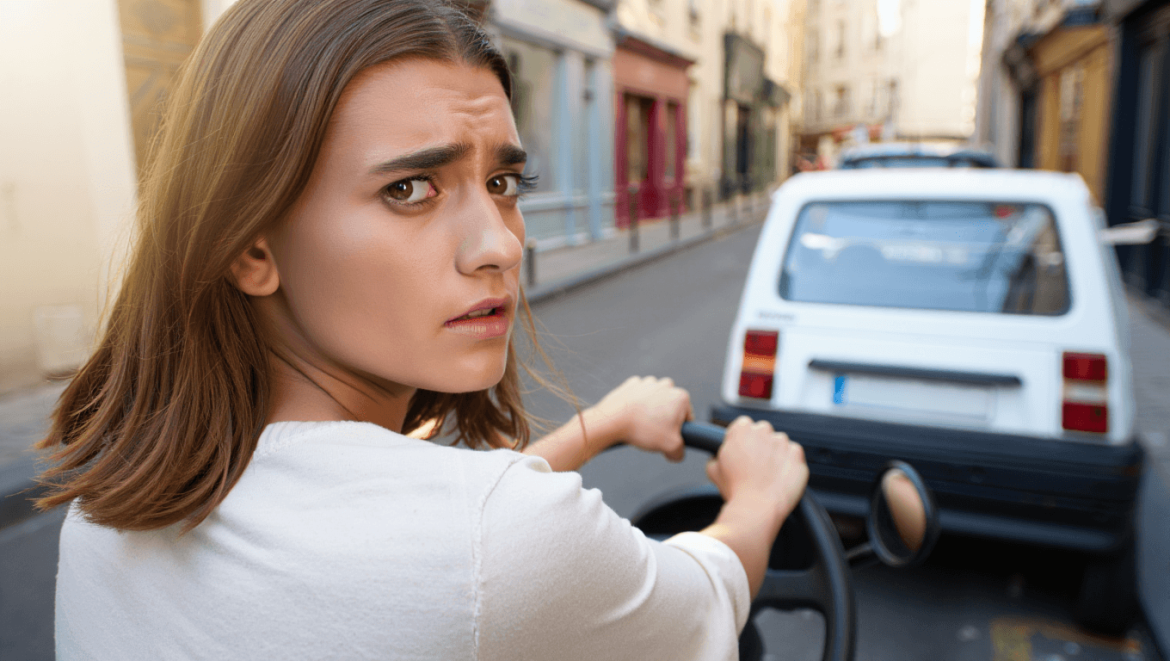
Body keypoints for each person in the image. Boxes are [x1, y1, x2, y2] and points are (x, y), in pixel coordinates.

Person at [36, 1, 808, 659]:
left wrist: (598, 425)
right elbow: (706, 595)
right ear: (250, 244)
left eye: (503, 183)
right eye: (410, 188)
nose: (503, 245)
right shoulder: (494, 540)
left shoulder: (109, 502)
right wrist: (758, 497)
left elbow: (428, 545)